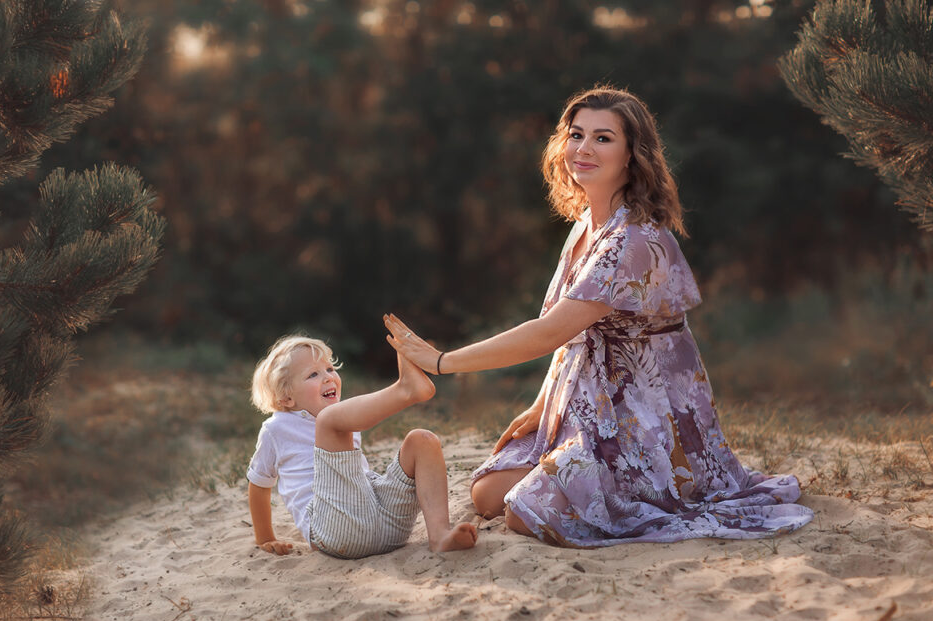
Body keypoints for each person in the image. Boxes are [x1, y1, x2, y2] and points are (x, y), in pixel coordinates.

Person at [385, 86, 813, 548]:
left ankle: (636, 482)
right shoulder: (585, 226)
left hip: (643, 414)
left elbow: (549, 332)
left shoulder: (630, 240)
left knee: (524, 516)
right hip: (589, 399)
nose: (584, 149)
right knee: (488, 494)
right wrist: (545, 406)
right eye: (576, 135)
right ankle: (572, 463)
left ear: (632, 155)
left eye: (603, 138)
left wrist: (442, 361)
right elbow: (574, 336)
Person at [246, 335, 477, 559]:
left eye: (330, 369)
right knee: (332, 419)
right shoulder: (276, 428)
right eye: (313, 374)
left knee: (422, 440)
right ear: (286, 398)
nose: (328, 377)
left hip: (383, 522)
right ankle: (404, 390)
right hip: (334, 531)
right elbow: (259, 484)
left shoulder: (343, 418)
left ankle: (440, 535)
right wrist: (265, 537)